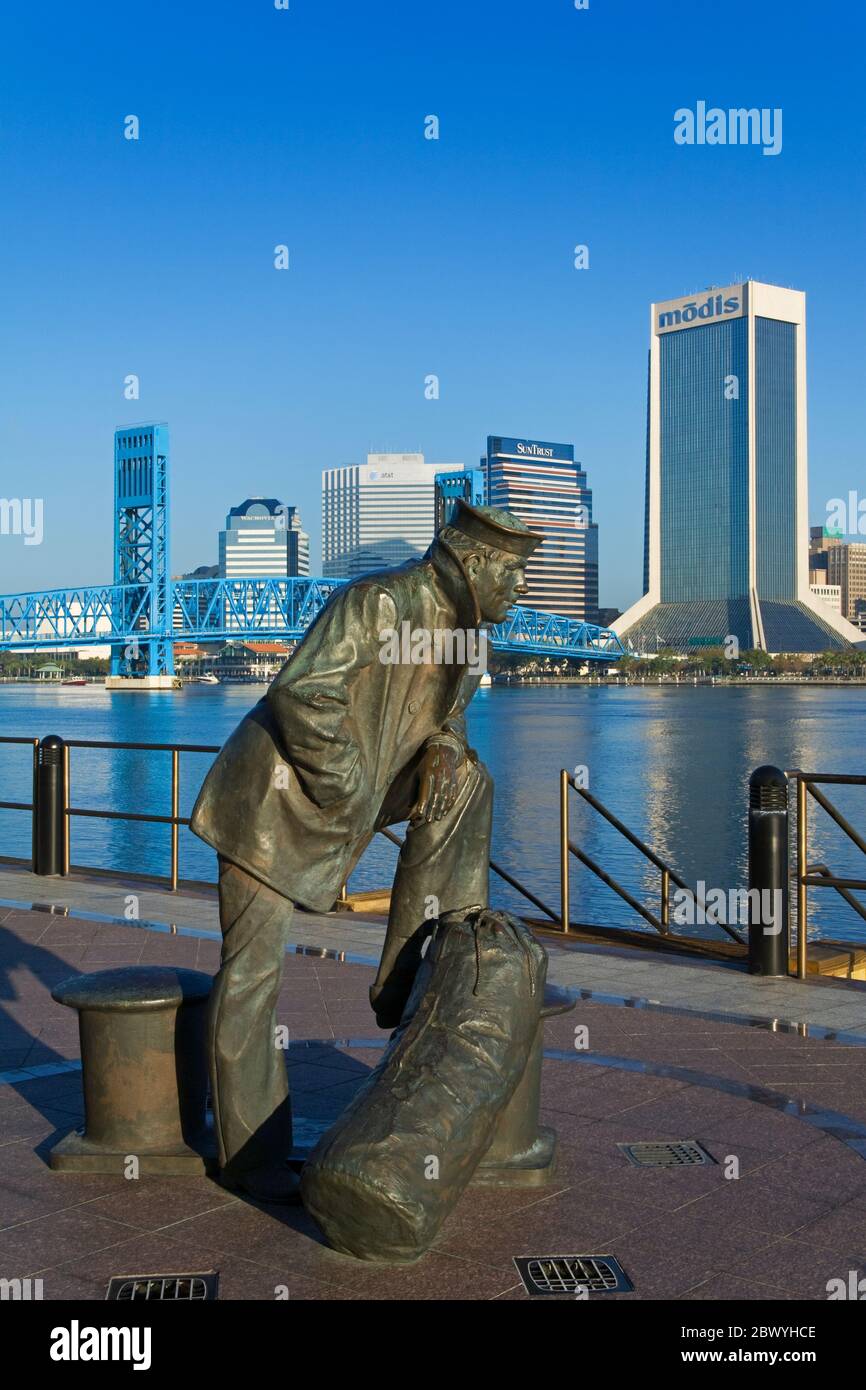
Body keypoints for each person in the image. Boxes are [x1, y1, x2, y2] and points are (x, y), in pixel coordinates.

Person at [190, 501, 542, 1200]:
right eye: (514, 571)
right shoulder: (377, 603)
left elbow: (449, 711)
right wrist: (355, 792)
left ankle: (412, 976)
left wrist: (443, 747)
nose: (523, 587)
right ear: (473, 565)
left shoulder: (469, 636)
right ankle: (251, 1161)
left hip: (345, 796)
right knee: (251, 981)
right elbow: (303, 697)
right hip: (273, 802)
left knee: (468, 781)